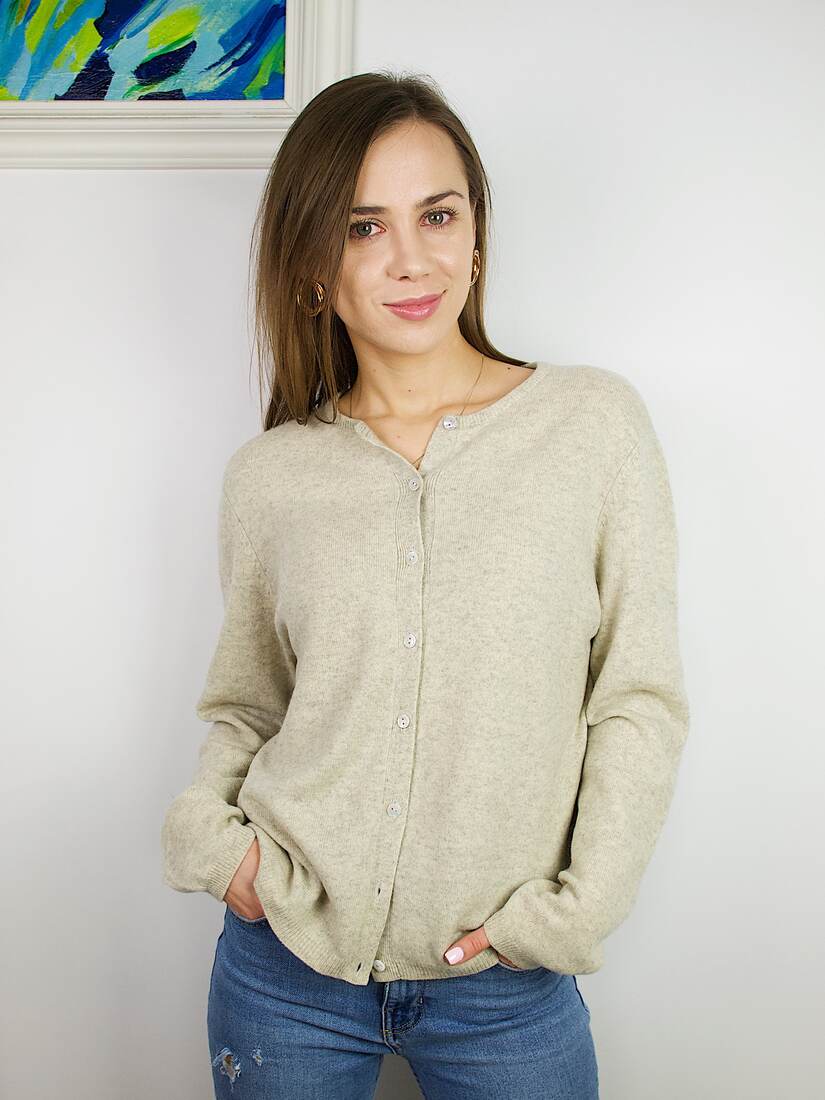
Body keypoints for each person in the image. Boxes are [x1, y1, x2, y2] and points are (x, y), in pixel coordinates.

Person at [161, 70, 690, 1100]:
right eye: (363, 227)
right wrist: (214, 845)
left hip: (507, 980)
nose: (411, 258)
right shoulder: (270, 475)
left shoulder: (591, 427)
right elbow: (249, 705)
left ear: (476, 237)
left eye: (437, 215)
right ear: (313, 268)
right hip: (284, 972)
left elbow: (638, 697)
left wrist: (575, 912)